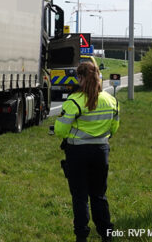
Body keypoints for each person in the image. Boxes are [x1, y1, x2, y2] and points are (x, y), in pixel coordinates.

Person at [54, 61, 120, 242]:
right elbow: (114, 128)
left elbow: (60, 130)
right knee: (99, 195)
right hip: (101, 152)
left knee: (80, 197)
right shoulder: (111, 100)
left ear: (81, 78)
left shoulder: (74, 101)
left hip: (77, 153)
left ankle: (82, 236)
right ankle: (106, 234)